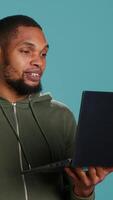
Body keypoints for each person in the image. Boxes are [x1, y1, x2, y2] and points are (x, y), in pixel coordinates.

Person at [0, 14, 112, 200]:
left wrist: (84, 191)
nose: (39, 62)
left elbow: (75, 192)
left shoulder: (62, 116)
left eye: (43, 54)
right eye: (27, 51)